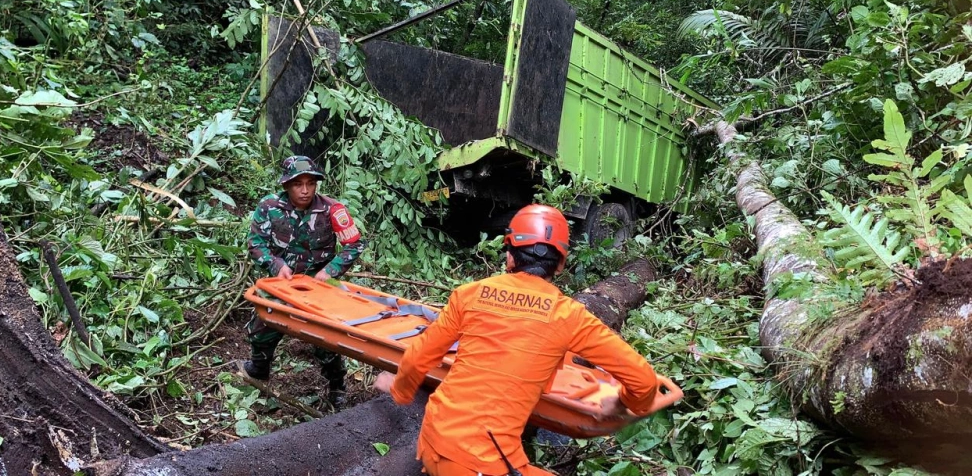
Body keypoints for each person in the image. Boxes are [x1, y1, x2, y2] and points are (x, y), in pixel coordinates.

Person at [374, 204, 660, 476]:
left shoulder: (470, 294)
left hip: (433, 442)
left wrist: (399, 389)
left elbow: (419, 355)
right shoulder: (569, 315)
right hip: (479, 463)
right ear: (560, 263)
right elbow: (644, 382)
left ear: (510, 255)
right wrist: (621, 402)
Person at [243, 155, 367, 408]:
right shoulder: (269, 207)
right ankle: (258, 369)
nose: (305, 190)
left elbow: (354, 244)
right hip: (282, 283)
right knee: (262, 327)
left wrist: (330, 271)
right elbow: (255, 243)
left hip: (319, 285)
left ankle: (336, 387)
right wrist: (276, 265)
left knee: (328, 338)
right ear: (286, 185)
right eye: (298, 184)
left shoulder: (332, 209)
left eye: (310, 183)